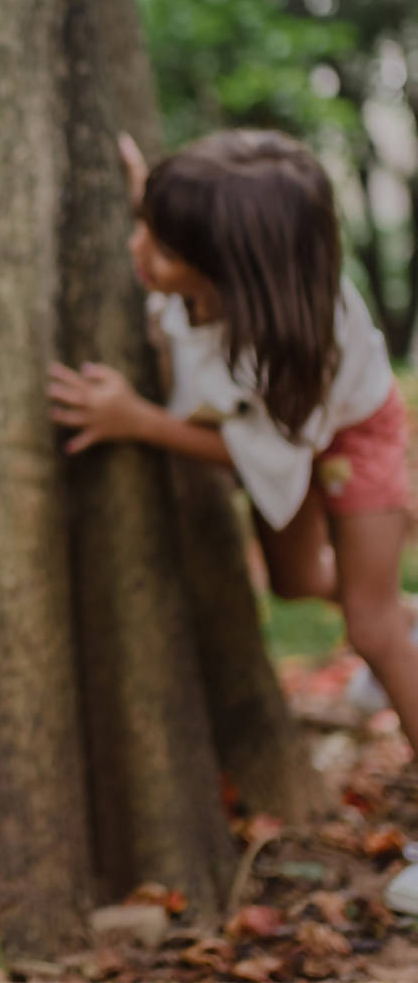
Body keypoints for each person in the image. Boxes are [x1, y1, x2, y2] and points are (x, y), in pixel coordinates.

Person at [48, 129, 418, 747]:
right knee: (294, 581)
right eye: (144, 224)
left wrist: (136, 419)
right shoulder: (208, 258)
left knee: (370, 628)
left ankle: (387, 616)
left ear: (231, 275)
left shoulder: (285, 346)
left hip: (353, 431)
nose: (135, 248)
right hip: (275, 431)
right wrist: (153, 195)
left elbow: (256, 457)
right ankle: (399, 607)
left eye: (161, 246)